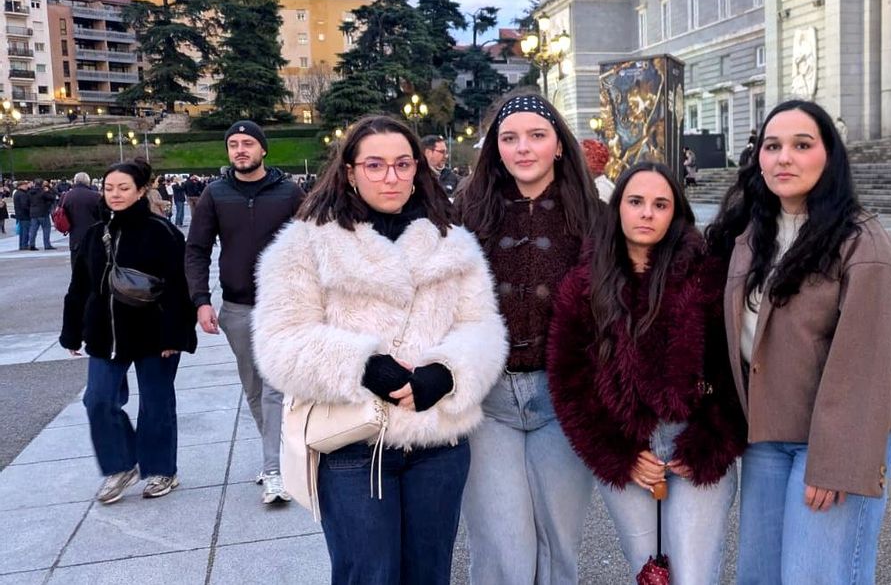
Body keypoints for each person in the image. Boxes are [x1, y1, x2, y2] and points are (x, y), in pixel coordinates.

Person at [253, 115, 506, 584]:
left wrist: (447, 373)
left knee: (429, 574)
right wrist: (361, 364)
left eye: (402, 164)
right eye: (375, 165)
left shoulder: (452, 242)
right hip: (354, 442)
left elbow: (482, 326)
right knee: (368, 574)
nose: (390, 177)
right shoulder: (307, 242)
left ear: (417, 170)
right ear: (349, 170)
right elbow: (279, 338)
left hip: (438, 441)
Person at [705, 100, 891, 584]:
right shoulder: (753, 234)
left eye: (802, 145)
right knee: (759, 575)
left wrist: (835, 462)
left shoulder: (863, 245)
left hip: (832, 441)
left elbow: (868, 367)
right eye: (772, 146)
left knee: (817, 575)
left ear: (828, 157)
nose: (784, 158)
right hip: (767, 435)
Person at [547, 162, 745, 585]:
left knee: (691, 574)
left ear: (676, 213)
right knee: (649, 573)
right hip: (627, 447)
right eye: (636, 202)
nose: (647, 214)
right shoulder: (585, 283)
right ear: (618, 207)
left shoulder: (705, 274)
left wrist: (711, 441)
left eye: (660, 204)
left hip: (693, 442)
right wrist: (616, 454)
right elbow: (569, 382)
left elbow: (734, 368)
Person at [455, 90, 602, 585]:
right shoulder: (467, 211)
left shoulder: (594, 215)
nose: (523, 148)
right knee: (500, 547)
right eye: (510, 138)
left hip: (562, 399)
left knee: (559, 542)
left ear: (558, 145)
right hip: (489, 399)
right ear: (495, 148)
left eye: (537, 136)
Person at [59, 158, 198, 504]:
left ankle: (161, 468)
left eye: (123, 188)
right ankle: (120, 465)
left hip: (154, 333)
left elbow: (181, 287)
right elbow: (79, 286)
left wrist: (175, 334)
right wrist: (72, 332)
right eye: (109, 188)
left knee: (156, 403)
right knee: (98, 400)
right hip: (105, 334)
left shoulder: (162, 232)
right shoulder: (94, 235)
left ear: (140, 191)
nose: (115, 194)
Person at [185, 121, 305, 504]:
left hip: (281, 307)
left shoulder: (289, 193)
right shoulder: (216, 194)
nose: (240, 150)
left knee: (274, 389)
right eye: (233, 144)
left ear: (263, 149)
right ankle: (278, 455)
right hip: (236, 307)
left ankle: (275, 470)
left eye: (248, 143)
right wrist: (201, 299)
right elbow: (197, 249)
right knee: (254, 388)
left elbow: (311, 243)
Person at [60, 172, 103, 263]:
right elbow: (102, 215)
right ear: (88, 181)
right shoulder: (96, 196)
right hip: (93, 234)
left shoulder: (66, 196)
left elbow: (60, 212)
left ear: (75, 181)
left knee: (76, 265)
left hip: (75, 235)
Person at [27, 179, 58, 250]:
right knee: (46, 228)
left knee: (33, 230)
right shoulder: (43, 192)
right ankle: (47, 244)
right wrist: (49, 191)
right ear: (42, 184)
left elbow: (27, 202)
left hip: (33, 213)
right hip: (43, 212)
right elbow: (52, 198)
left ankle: (31, 244)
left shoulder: (30, 192)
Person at [12, 181, 29, 250]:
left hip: (19, 214)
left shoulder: (17, 193)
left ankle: (22, 245)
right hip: (24, 215)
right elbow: (24, 205)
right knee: (25, 231)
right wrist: (30, 210)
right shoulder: (22, 194)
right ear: (20, 186)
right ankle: (24, 245)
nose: (26, 186)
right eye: (25, 185)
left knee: (22, 231)